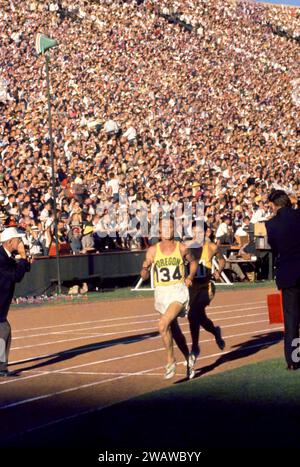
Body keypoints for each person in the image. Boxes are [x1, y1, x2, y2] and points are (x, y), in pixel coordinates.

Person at [140, 216, 198, 380]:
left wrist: (190, 277)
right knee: (174, 330)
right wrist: (145, 269)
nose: (167, 230)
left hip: (177, 291)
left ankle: (170, 361)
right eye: (163, 227)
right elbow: (144, 274)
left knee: (162, 324)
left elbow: (194, 263)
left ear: (174, 229)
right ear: (159, 230)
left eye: (170, 227)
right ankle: (188, 359)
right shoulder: (152, 250)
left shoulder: (181, 248)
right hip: (161, 293)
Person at [266, 190, 300, 371]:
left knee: (292, 319)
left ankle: (294, 361)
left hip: (288, 273)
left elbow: (274, 249)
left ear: (273, 204)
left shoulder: (271, 224)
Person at [187, 222, 226, 377]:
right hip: (192, 288)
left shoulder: (211, 247)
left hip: (206, 287)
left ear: (206, 232)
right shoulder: (188, 247)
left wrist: (218, 271)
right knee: (199, 317)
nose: (197, 235)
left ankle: (195, 348)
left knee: (193, 314)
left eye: (200, 232)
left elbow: (222, 260)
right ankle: (215, 331)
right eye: (195, 232)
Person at [0, 227, 32, 377]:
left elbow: (19, 269)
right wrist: (23, 257)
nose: (20, 242)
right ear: (10, 242)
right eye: (18, 239)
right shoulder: (1, 258)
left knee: (4, 331)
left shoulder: (6, 256)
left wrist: (26, 261)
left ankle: (1, 366)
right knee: (4, 330)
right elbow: (16, 276)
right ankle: (1, 367)